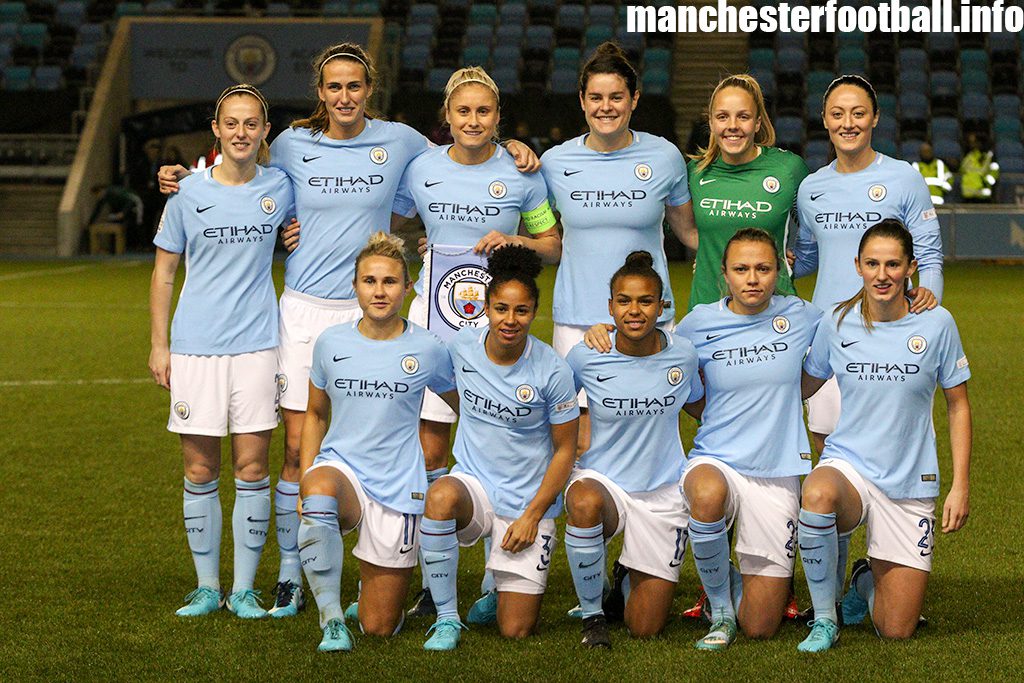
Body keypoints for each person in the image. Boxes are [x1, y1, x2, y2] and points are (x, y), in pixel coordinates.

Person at [157, 43, 540, 618]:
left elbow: (462, 148)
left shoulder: (402, 142)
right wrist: (185, 176)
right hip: (303, 312)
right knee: (295, 449)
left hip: (376, 309)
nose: (344, 97)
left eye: (354, 86)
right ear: (320, 92)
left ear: (369, 89)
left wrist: (513, 148)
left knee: (390, 444)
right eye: (333, 87)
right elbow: (240, 175)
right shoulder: (290, 144)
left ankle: (390, 561)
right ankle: (291, 574)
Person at [397, 66, 562, 623]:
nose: (473, 120)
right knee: (429, 454)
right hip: (433, 327)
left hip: (497, 328)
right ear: (447, 116)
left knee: (504, 444)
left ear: (498, 117)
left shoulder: (522, 174)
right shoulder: (420, 168)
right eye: (462, 111)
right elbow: (392, 220)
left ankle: (497, 579)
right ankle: (429, 582)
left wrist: (513, 238)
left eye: (484, 111)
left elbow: (552, 242)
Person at [148, 84, 294, 619]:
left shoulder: (281, 187)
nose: (240, 133)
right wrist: (160, 345)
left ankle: (245, 587)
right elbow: (164, 273)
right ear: (216, 129)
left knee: (253, 467)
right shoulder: (186, 192)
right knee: (199, 468)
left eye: (251, 124)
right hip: (195, 349)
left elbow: (322, 218)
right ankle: (208, 586)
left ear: (264, 132)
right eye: (231, 123)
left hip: (258, 346)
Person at [797, 219, 971, 652]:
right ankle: (824, 618)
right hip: (850, 466)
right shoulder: (837, 321)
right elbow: (802, 385)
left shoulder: (937, 324)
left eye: (893, 264)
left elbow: (959, 405)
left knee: (896, 629)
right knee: (818, 493)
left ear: (911, 266)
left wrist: (960, 485)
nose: (882, 274)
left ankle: (861, 580)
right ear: (857, 265)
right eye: (872, 263)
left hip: (910, 481)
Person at [296, 232, 457, 652]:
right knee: (317, 491)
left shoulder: (427, 347)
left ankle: (372, 602)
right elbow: (315, 414)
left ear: (407, 287)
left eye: (389, 282)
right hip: (342, 470)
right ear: (355, 286)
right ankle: (331, 620)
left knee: (379, 626)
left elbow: (463, 404)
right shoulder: (331, 342)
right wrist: (305, 475)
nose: (379, 291)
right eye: (369, 281)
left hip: (398, 483)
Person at [418, 245, 580, 651]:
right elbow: (447, 389)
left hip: (525, 504)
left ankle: (498, 590)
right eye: (501, 309)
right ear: (486, 308)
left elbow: (565, 450)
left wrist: (533, 516)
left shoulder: (553, 370)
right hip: (475, 489)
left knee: (515, 630)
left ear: (534, 311)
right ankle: (446, 618)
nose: (510, 320)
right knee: (439, 495)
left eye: (521, 311)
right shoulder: (460, 349)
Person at [541, 41, 698, 455]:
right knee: (583, 442)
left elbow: (691, 234)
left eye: (616, 97)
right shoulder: (554, 163)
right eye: (596, 97)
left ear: (634, 100)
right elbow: (545, 239)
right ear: (581, 100)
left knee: (647, 435)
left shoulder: (664, 156)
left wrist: (764, 257)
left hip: (647, 316)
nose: (605, 107)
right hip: (577, 319)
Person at [675, 229, 822, 649]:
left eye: (763, 268)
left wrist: (914, 295)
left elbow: (855, 321)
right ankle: (719, 610)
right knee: (706, 493)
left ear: (779, 271)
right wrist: (600, 331)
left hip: (777, 471)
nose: (752, 279)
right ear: (725, 274)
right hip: (716, 459)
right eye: (741, 269)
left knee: (760, 626)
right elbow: (659, 362)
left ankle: (730, 580)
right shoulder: (698, 323)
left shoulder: (803, 316)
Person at [792, 74, 943, 456]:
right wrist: (778, 267)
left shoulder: (904, 178)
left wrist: (929, 306)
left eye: (858, 113)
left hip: (890, 333)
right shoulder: (811, 188)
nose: (848, 123)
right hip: (829, 332)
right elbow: (810, 258)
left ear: (875, 118)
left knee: (893, 446)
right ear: (824, 120)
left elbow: (929, 252)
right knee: (827, 448)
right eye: (838, 114)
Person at [564, 251, 702, 649]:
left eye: (645, 301)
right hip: (603, 482)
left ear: (662, 306)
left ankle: (625, 575)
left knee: (645, 627)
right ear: (610, 307)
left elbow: (699, 406)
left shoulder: (684, 355)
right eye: (624, 301)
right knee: (585, 503)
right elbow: (555, 411)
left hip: (661, 492)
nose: (634, 310)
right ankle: (592, 614)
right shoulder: (588, 354)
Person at [687, 74, 809, 310]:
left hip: (775, 312)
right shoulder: (695, 173)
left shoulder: (789, 169)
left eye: (743, 117)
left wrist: (794, 258)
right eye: (723, 117)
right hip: (708, 309)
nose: (732, 125)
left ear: (757, 123)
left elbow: (819, 228)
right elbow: (673, 225)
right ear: (711, 123)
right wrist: (705, 255)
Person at [959, 132, 999, 203]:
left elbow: (994, 171)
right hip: (968, 195)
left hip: (983, 196)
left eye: (974, 142)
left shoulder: (989, 156)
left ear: (980, 143)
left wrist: (985, 182)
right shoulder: (969, 156)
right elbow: (962, 170)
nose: (971, 144)